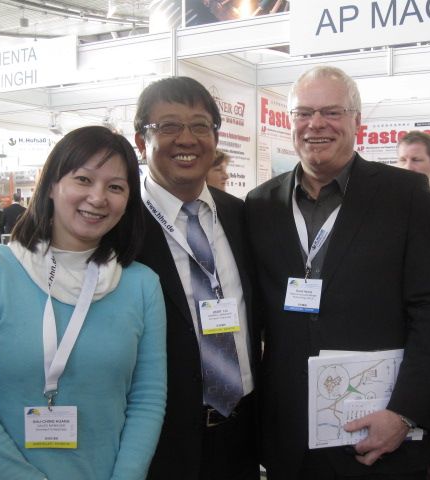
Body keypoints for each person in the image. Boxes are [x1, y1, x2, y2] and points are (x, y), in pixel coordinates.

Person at [245, 65, 430, 480]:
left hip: (379, 434)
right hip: (290, 438)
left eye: (332, 112)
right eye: (304, 113)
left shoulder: (405, 195)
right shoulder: (260, 204)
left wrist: (406, 412)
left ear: (357, 121)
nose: (316, 124)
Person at [0, 126, 167, 480]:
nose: (98, 197)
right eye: (83, 179)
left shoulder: (141, 285)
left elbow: (147, 400)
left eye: (115, 187)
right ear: (51, 185)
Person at [133, 76, 261, 480]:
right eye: (168, 126)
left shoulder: (242, 216)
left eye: (200, 126)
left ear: (215, 137)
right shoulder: (122, 228)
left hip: (241, 434)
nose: (186, 139)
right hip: (161, 441)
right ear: (141, 142)